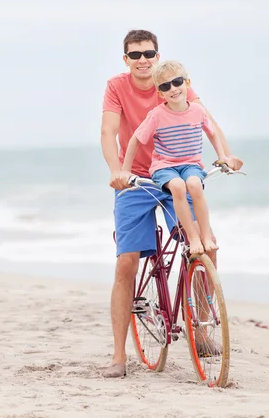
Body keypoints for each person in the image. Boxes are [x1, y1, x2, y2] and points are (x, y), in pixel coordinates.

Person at [101, 29, 243, 378]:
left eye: (149, 53)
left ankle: (201, 329)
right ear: (126, 60)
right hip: (135, 180)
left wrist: (224, 156)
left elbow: (207, 122)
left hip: (176, 175)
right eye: (136, 55)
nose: (144, 60)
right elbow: (109, 133)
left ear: (157, 54)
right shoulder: (117, 86)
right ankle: (119, 356)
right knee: (126, 263)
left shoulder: (172, 80)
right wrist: (117, 172)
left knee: (205, 249)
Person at [122, 59, 231, 255]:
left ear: (187, 83)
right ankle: (193, 236)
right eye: (165, 86)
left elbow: (212, 133)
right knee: (178, 186)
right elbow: (135, 140)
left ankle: (205, 235)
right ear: (160, 93)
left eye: (177, 82)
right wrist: (125, 172)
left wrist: (222, 156)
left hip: (191, 164)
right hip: (165, 167)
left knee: (195, 185)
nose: (173, 89)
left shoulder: (197, 111)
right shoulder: (157, 114)